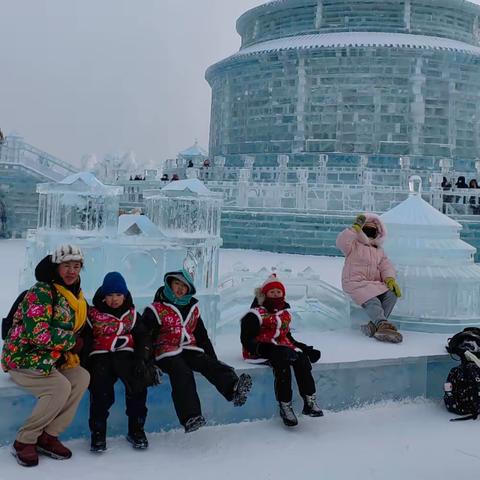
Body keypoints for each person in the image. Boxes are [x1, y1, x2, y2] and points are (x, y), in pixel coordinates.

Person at [1, 245, 90, 467]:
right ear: (56, 267)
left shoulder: (75, 295)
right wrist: (71, 341)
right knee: (58, 387)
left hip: (53, 357)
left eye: (76, 266)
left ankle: (48, 435)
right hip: (23, 358)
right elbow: (38, 333)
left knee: (81, 378)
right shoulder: (41, 291)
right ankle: (25, 440)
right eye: (67, 266)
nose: (72, 271)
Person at [141, 269, 252, 433]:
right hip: (165, 352)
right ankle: (190, 416)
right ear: (169, 284)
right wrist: (148, 363)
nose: (179, 288)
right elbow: (146, 339)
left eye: (184, 286)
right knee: (182, 371)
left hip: (188, 348)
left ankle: (233, 388)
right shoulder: (156, 309)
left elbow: (201, 336)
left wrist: (213, 359)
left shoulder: (192, 309)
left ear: (189, 290)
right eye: (176, 284)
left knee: (205, 362)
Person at [85, 272, 156, 452]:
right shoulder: (93, 315)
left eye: (118, 295)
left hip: (126, 356)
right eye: (109, 295)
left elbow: (143, 337)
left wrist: (142, 358)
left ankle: (136, 429)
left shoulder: (131, 315)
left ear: (125, 295)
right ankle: (98, 433)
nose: (114, 299)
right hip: (101, 356)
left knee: (138, 386)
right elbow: (85, 339)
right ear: (103, 296)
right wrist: (85, 365)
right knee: (100, 391)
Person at [240, 274, 323, 427]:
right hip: (259, 350)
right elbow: (247, 340)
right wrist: (265, 349)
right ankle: (285, 405)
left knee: (302, 359)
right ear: (264, 294)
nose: (276, 295)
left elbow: (288, 337)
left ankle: (309, 400)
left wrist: (305, 349)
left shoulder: (284, 314)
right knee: (282, 363)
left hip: (283, 348)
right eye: (272, 292)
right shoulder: (254, 314)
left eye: (279, 292)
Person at [336, 214, 403, 343]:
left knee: (392, 294)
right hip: (354, 282)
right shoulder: (353, 245)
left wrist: (390, 279)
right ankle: (382, 323)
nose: (370, 232)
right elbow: (341, 242)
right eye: (367, 228)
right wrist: (354, 229)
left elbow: (385, 265)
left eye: (373, 229)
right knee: (372, 300)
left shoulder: (379, 250)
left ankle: (374, 326)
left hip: (373, 283)